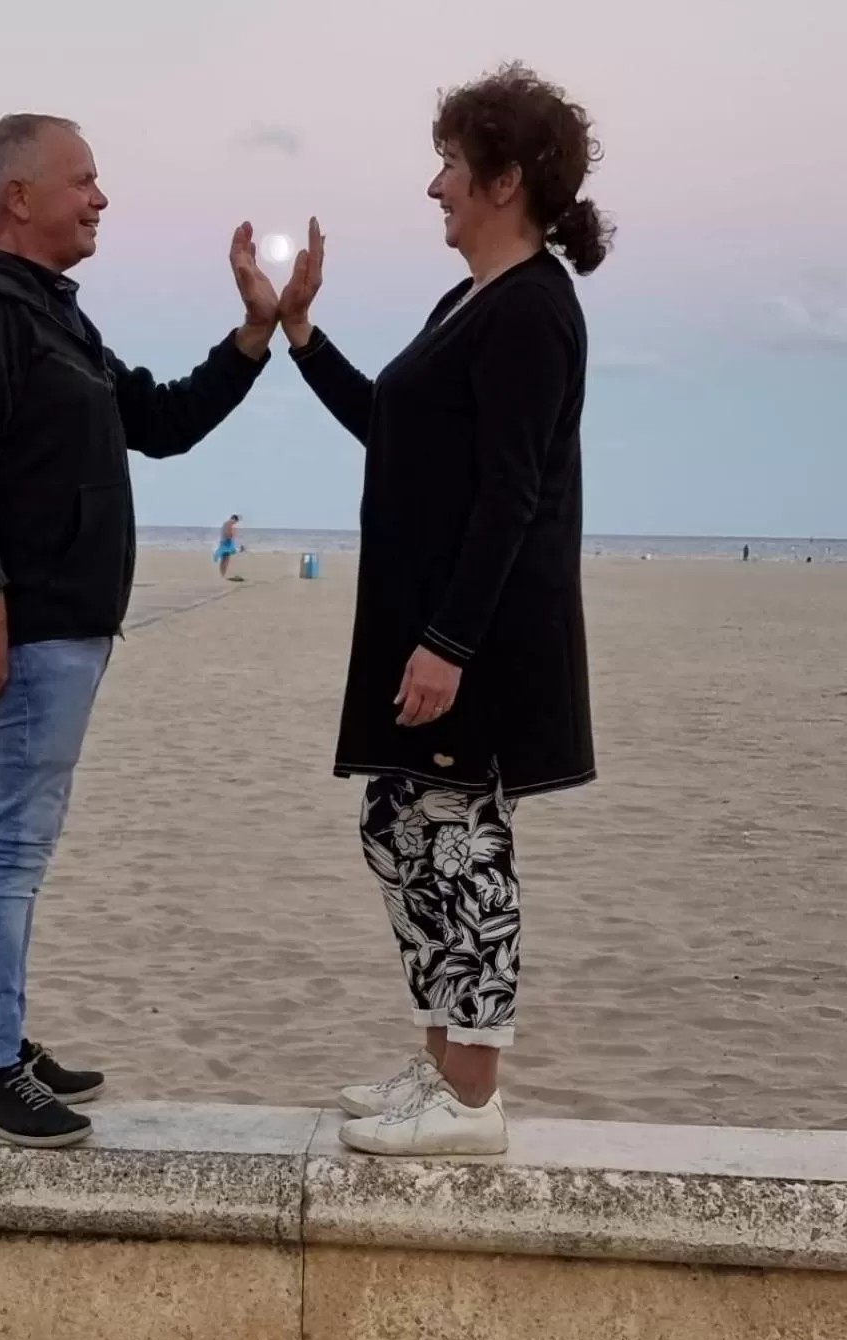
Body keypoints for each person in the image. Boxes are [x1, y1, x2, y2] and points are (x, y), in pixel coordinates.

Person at [0, 113, 276, 1148]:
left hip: (70, 624)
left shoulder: (53, 318)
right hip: (30, 628)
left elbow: (157, 421)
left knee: (26, 841)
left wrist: (252, 335)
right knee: (10, 847)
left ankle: (1, 1036)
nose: (102, 198)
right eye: (85, 181)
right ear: (18, 197)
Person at [277, 64, 611, 1156]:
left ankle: (471, 1097)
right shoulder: (470, 301)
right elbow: (397, 425)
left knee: (462, 844)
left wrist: (449, 643)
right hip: (428, 625)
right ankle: (439, 1066)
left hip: (480, 636)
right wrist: (301, 334)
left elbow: (514, 493)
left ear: (504, 180)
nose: (434, 187)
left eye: (450, 168)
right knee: (396, 831)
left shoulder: (532, 311)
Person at [214, 514, 245, 578]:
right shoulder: (229, 524)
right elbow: (227, 534)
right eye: (236, 522)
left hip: (224, 543)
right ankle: (222, 575)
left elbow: (225, 533)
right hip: (226, 543)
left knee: (224, 560)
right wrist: (232, 535)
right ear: (234, 519)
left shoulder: (226, 524)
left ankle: (222, 575)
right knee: (226, 560)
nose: (235, 523)